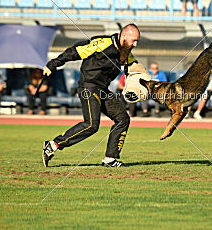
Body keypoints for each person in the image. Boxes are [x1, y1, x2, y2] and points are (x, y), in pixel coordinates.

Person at [42, 24, 141, 168]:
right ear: (124, 36)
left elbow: (137, 69)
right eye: (134, 40)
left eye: (137, 41)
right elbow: (75, 51)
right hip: (88, 86)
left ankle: (110, 159)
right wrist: (53, 64)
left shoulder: (126, 53)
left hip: (102, 90)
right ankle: (53, 145)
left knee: (122, 119)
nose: (136, 44)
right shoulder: (102, 43)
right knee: (91, 125)